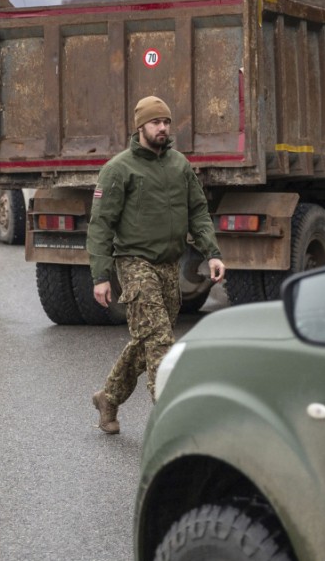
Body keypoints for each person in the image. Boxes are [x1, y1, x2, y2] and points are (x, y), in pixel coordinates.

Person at [89, 95, 225, 435]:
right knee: (161, 341)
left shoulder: (179, 165)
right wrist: (101, 276)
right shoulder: (119, 170)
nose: (163, 128)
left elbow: (197, 212)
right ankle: (171, 420)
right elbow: (101, 225)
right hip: (135, 264)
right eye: (155, 122)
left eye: (166, 121)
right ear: (140, 127)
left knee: (147, 339)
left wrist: (212, 252)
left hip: (168, 265)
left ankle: (108, 397)